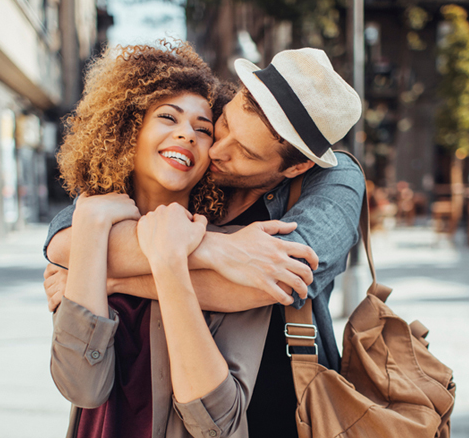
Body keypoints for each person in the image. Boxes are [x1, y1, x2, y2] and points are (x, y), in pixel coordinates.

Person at [44, 46, 366, 437]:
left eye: (244, 153)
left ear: (296, 166)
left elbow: (270, 280)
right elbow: (65, 238)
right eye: (222, 124)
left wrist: (102, 275)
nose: (215, 148)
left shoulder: (333, 183)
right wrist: (219, 250)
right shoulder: (183, 180)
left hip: (282, 411)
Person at [49, 40, 272, 437]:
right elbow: (82, 386)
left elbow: (219, 427)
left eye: (203, 129)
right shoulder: (93, 234)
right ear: (127, 128)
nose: (187, 134)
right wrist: (89, 227)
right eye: (168, 117)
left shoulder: (240, 252)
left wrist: (170, 263)